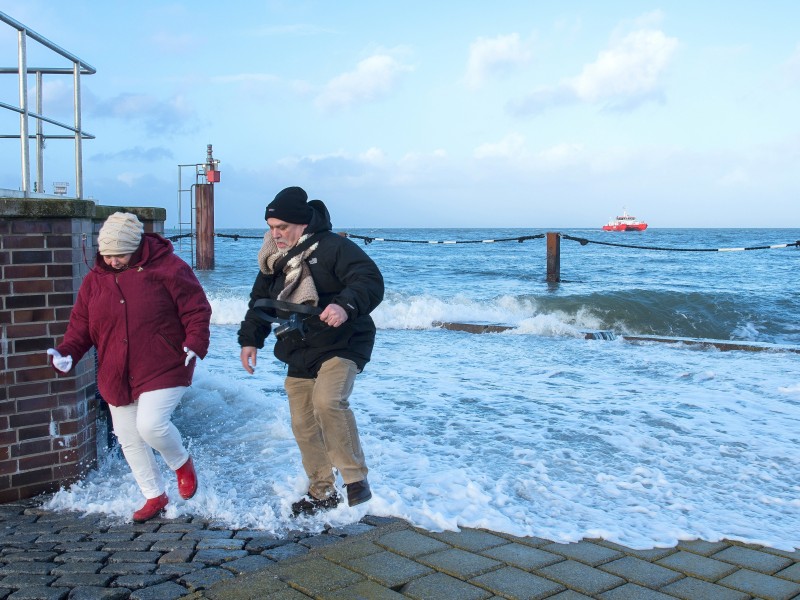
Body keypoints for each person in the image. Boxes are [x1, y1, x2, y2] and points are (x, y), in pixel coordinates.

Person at [47, 212, 211, 523]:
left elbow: (196, 309)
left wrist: (195, 341)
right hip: (115, 368)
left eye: (119, 254)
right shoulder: (96, 278)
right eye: (106, 254)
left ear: (135, 247)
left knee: (151, 425)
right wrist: (68, 351)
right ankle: (154, 496)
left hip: (165, 361)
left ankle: (181, 463)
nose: (112, 261)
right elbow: (81, 323)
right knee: (128, 436)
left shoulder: (169, 267)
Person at [238, 186, 384, 516]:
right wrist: (250, 340)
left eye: (282, 228)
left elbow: (369, 280)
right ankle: (322, 493)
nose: (276, 234)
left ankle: (355, 479)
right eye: (271, 227)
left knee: (327, 402)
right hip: (298, 346)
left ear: (302, 224)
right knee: (303, 424)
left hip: (343, 342)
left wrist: (345, 305)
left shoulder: (334, 247)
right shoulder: (272, 260)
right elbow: (260, 302)